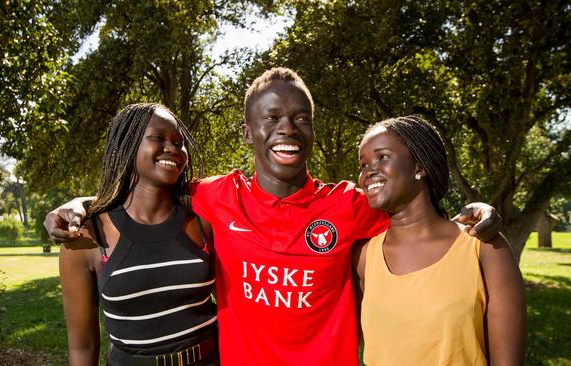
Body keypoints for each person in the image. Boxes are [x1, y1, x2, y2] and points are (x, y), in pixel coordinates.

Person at [46, 68, 502, 366]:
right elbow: (142, 188)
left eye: (301, 118)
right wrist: (81, 205)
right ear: (249, 132)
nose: (287, 127)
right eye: (272, 117)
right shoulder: (213, 198)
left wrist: (477, 213)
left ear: (312, 131)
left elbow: (419, 217)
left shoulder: (350, 206)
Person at [354, 116, 526, 365]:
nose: (369, 170)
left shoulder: (485, 248)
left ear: (419, 167)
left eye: (383, 157)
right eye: (363, 164)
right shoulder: (363, 258)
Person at [59, 103, 218, 365]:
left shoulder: (203, 221)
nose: (173, 148)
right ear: (127, 145)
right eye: (157, 138)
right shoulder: (86, 239)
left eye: (179, 142)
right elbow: (82, 346)